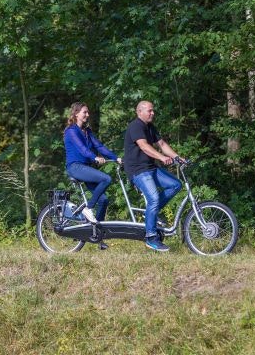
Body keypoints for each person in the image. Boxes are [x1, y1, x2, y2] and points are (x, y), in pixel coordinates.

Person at [123, 100, 183, 252]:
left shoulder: (150, 127)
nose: (152, 113)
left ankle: (152, 213)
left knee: (176, 185)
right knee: (154, 199)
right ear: (140, 112)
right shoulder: (135, 126)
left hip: (150, 168)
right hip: (138, 170)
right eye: (150, 110)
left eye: (153, 110)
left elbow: (162, 144)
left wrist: (178, 158)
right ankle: (151, 237)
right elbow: (143, 146)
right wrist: (162, 158)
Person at [64, 102, 122, 249]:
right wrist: (95, 157)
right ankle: (88, 208)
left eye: (88, 112)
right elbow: (82, 150)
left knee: (103, 200)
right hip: (76, 167)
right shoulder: (71, 131)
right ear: (76, 113)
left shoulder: (87, 131)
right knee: (106, 178)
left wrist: (116, 158)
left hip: (85, 168)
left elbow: (100, 146)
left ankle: (98, 237)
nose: (87, 115)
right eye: (85, 112)